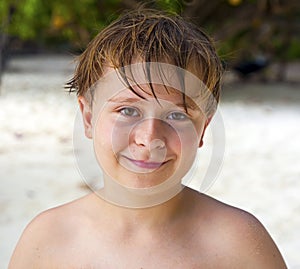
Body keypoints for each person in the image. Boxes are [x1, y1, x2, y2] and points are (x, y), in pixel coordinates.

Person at [9, 8, 287, 268]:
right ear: (89, 117)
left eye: (177, 116)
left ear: (203, 129)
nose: (149, 137)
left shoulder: (240, 245)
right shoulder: (45, 242)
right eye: (127, 110)